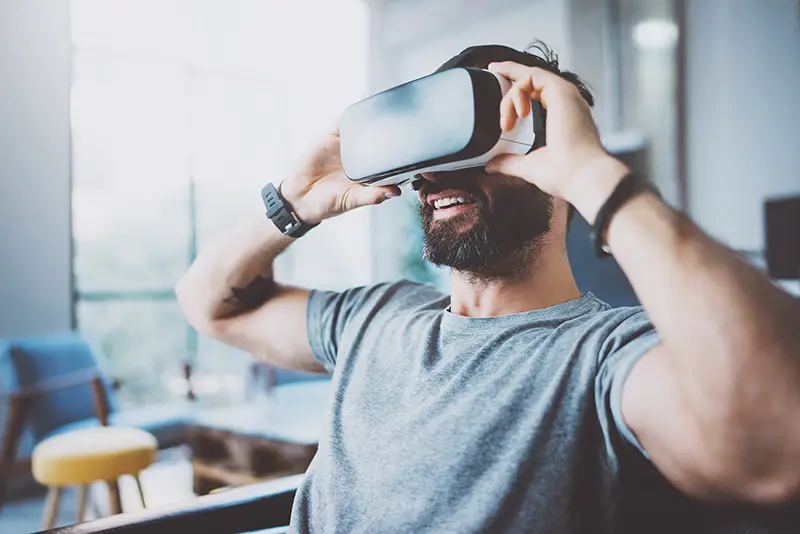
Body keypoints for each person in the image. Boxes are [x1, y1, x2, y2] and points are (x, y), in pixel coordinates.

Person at [175, 44, 800, 533]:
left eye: (477, 140)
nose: (436, 172)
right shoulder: (378, 315)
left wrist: (590, 172)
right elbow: (207, 304)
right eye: (430, 147)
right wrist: (292, 204)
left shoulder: (609, 353)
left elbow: (778, 446)